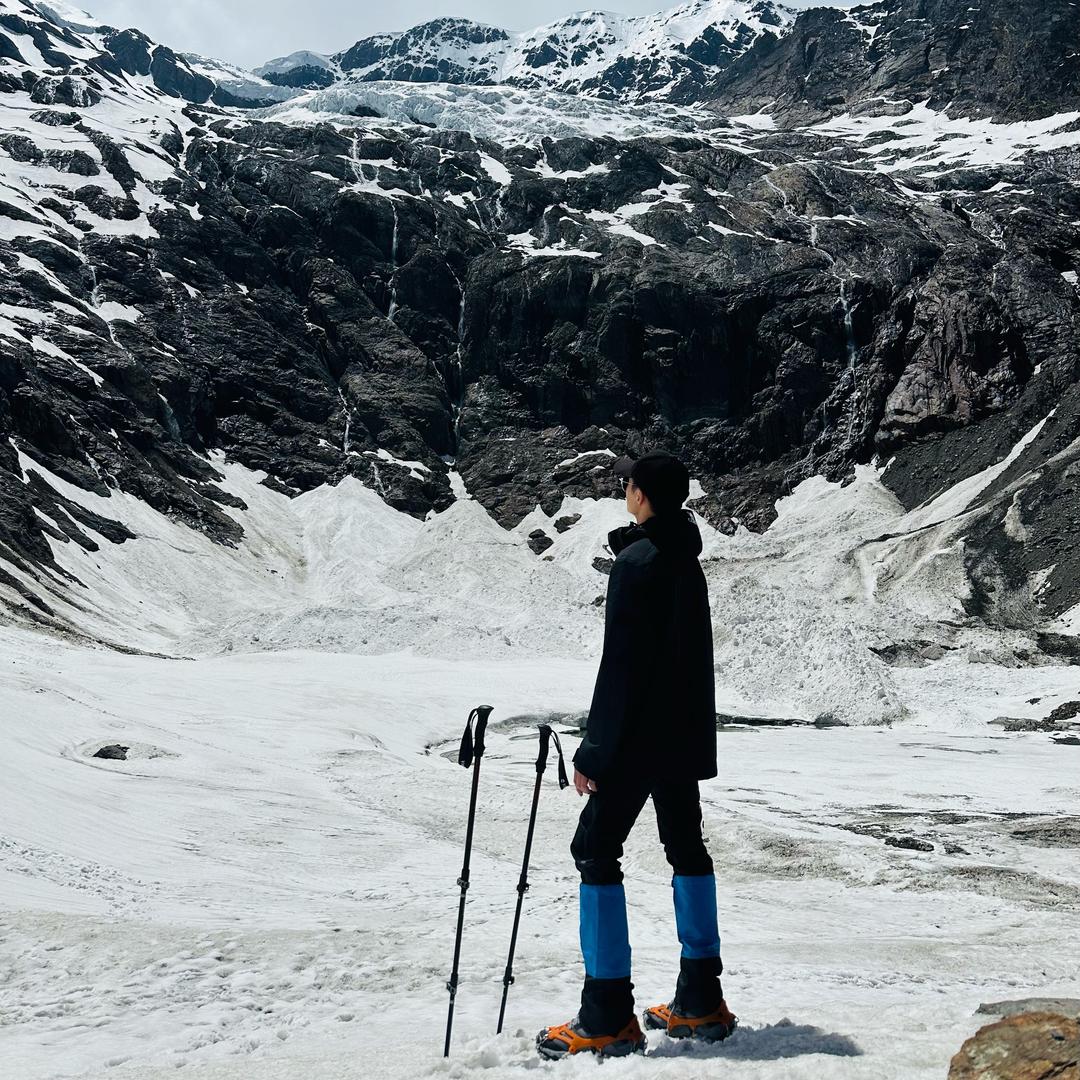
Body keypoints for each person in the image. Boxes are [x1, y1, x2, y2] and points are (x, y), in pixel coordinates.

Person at [537, 450, 735, 1060]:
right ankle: (700, 999)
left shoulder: (638, 563)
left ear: (640, 494)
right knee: (686, 848)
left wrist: (594, 752)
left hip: (637, 739)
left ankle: (606, 1013)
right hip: (680, 737)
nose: (624, 489)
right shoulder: (686, 559)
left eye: (627, 483)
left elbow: (621, 668)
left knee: (595, 850)